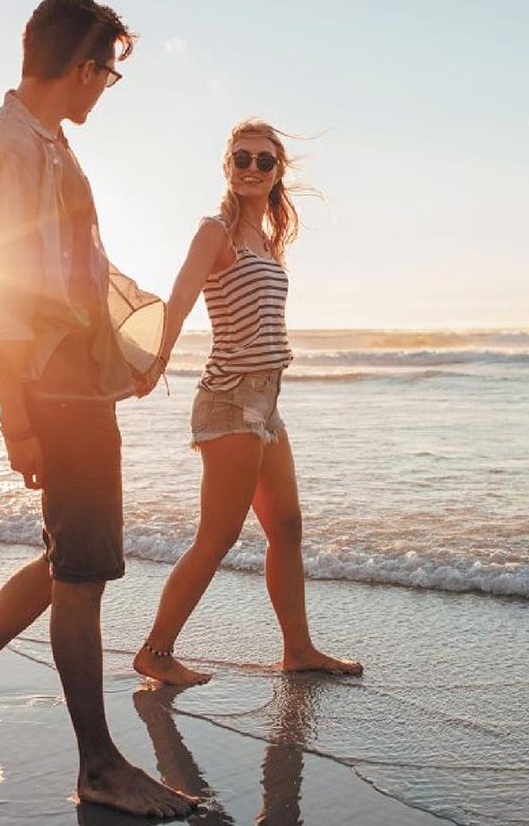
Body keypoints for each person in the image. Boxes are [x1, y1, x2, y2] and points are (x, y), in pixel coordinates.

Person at [0, 0, 195, 818]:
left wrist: (126, 353)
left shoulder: (52, 147)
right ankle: (99, 765)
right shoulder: (6, 149)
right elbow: (6, 292)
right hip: (52, 389)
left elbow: (75, 275)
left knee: (70, 557)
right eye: (106, 70)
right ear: (80, 66)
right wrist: (16, 416)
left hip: (78, 377)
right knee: (84, 568)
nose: (105, 86)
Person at [133, 120, 364, 686]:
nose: (252, 168)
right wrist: (157, 358)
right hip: (230, 400)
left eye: (264, 161)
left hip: (267, 403)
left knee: (286, 526)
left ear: (277, 172)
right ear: (227, 166)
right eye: (242, 158)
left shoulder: (267, 240)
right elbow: (182, 297)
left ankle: (299, 650)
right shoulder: (217, 232)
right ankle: (155, 652)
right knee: (218, 535)